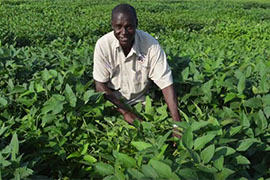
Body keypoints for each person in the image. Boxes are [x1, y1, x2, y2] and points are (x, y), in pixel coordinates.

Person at [93, 4, 181, 137]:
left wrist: (177, 124)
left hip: (144, 102)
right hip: (114, 104)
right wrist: (125, 112)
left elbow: (166, 83)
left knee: (154, 134)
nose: (123, 32)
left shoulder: (150, 45)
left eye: (129, 27)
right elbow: (100, 85)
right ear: (112, 25)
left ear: (136, 24)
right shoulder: (103, 45)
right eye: (118, 27)